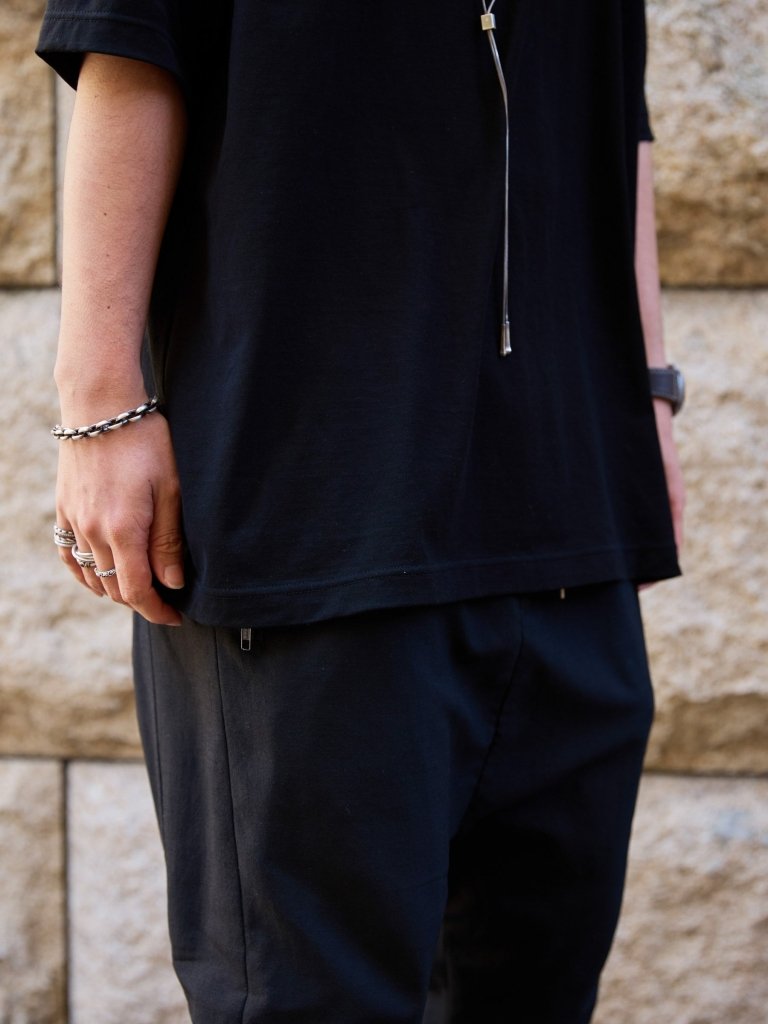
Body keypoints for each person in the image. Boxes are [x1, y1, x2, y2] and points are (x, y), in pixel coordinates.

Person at [37, 0, 685, 1020]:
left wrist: (648, 397)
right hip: (310, 535)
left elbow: (615, 112)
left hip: (573, 527)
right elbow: (132, 38)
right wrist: (97, 406)